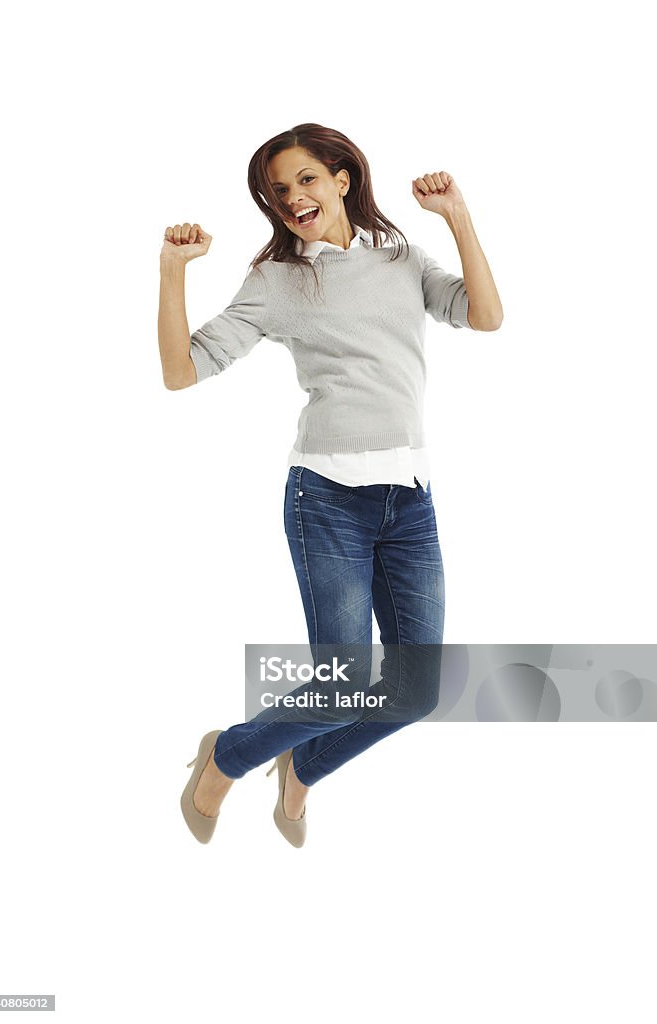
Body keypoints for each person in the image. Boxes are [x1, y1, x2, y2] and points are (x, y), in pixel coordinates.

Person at [157, 123, 503, 847]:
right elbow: (181, 370)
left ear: (342, 179)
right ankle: (224, 757)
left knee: (412, 692)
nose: (291, 197)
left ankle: (300, 767)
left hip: (409, 499)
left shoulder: (400, 256)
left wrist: (459, 218)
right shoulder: (277, 281)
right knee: (342, 683)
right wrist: (172, 271)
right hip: (328, 501)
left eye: (305, 179)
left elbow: (484, 315)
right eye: (277, 189)